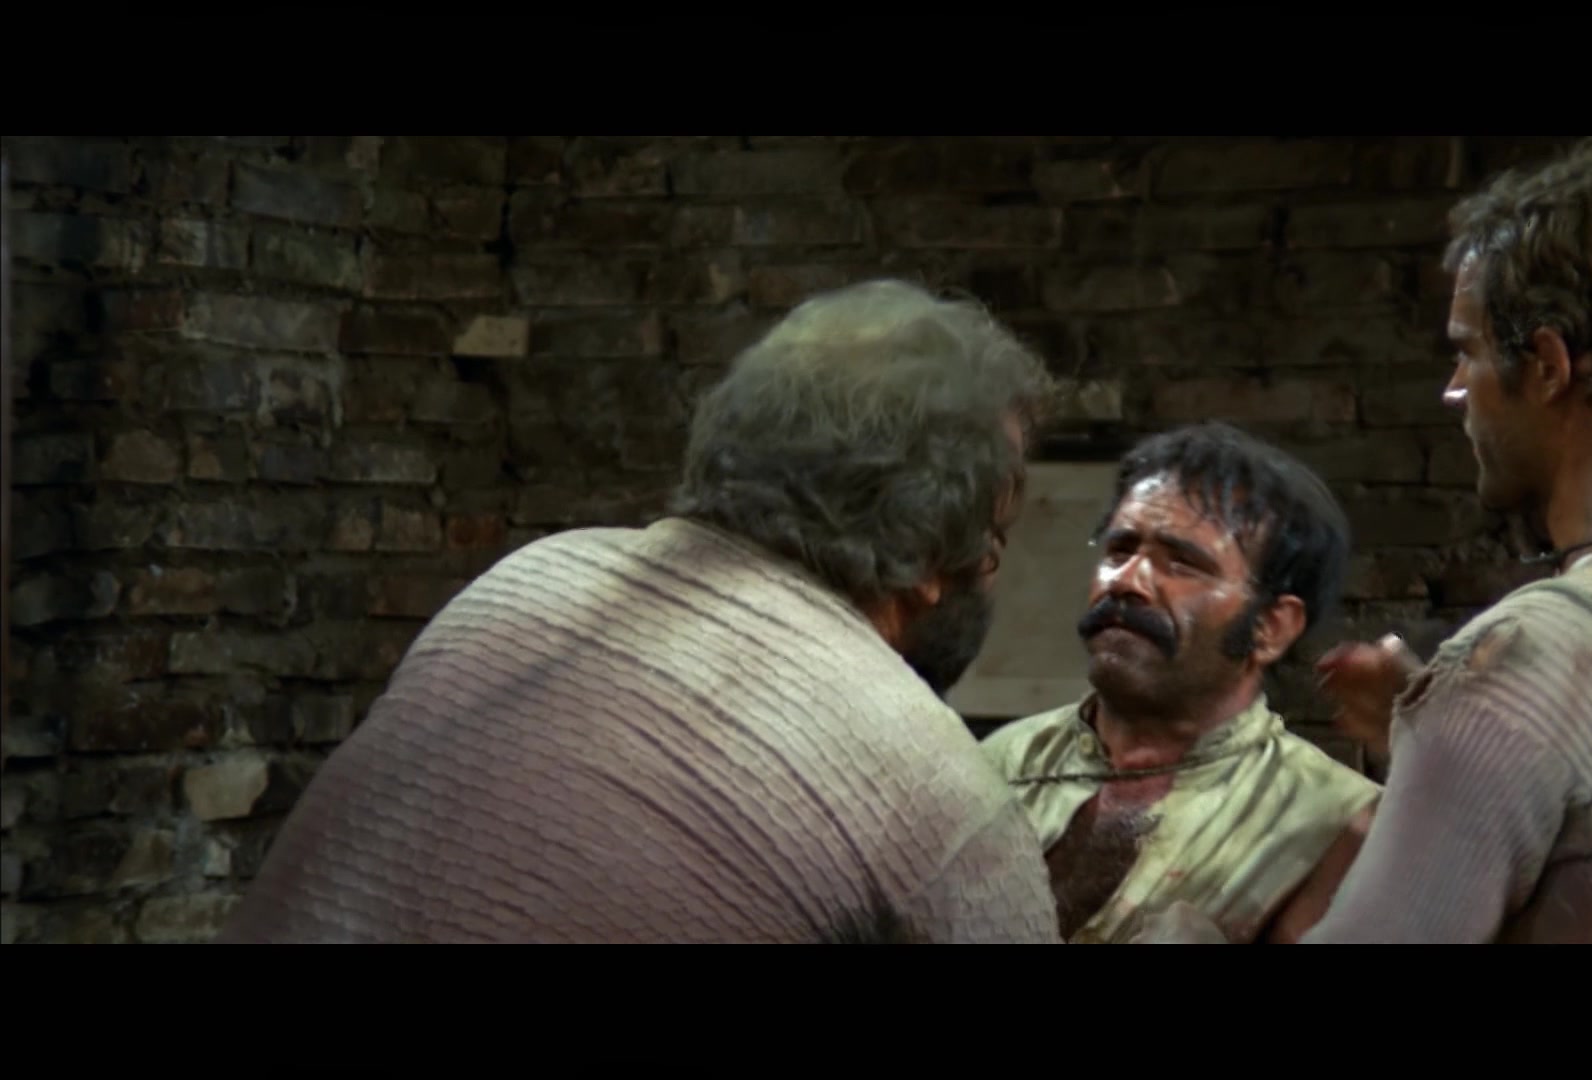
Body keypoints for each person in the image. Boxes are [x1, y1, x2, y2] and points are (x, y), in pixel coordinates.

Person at [219, 279, 1064, 944]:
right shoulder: (935, 791)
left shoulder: (527, 577)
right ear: (926, 557)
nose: (991, 570)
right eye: (994, 538)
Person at [1303, 141, 1592, 942]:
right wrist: (1441, 740)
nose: (1455, 389)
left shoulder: (1518, 662)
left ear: (1549, 365)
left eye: (1469, 351)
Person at [980, 422, 1379, 944]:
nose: (1126, 580)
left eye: (1183, 564)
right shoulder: (999, 765)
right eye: (1119, 550)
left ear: (1270, 626)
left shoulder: (1331, 824)